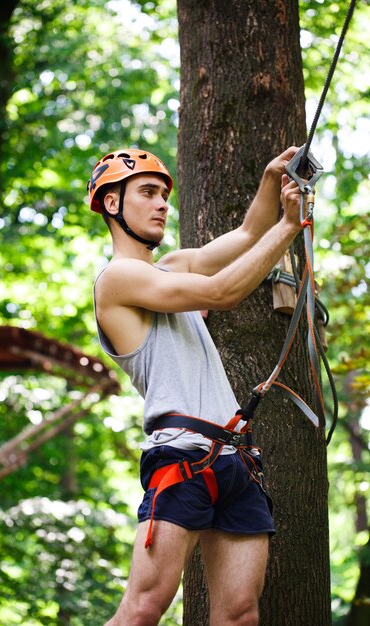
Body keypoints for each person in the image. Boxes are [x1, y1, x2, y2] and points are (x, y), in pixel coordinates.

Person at [87, 146, 303, 626]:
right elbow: (222, 293)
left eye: (164, 194)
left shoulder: (176, 265)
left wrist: (272, 180)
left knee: (241, 614)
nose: (163, 203)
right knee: (144, 609)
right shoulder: (118, 279)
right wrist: (289, 227)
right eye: (148, 192)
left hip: (236, 460)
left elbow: (248, 234)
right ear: (112, 204)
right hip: (182, 456)